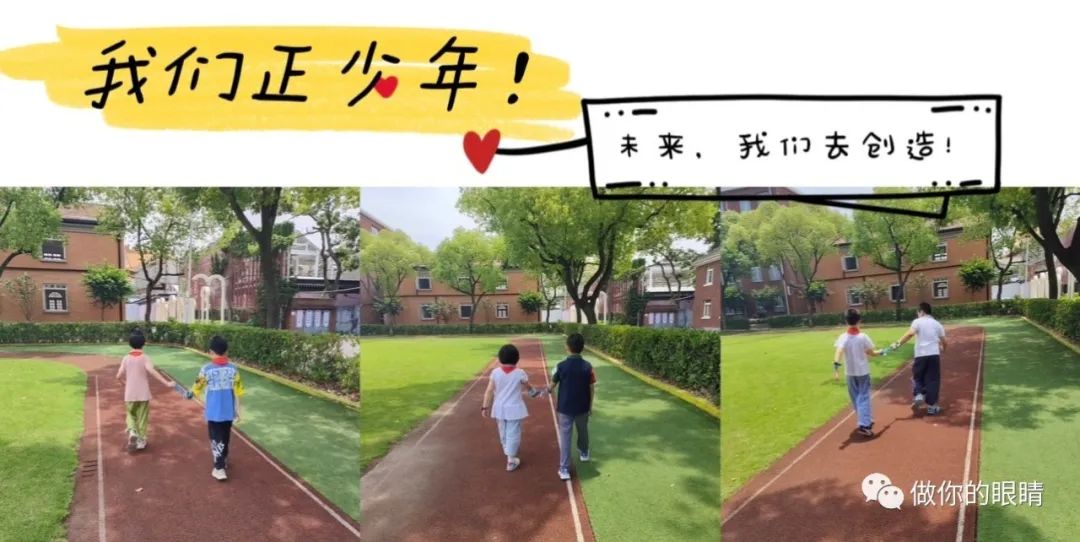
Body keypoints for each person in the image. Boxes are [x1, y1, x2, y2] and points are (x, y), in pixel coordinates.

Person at [481, 344, 543, 472]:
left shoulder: (495, 372)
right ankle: (510, 460)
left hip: (499, 408)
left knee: (503, 431)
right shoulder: (520, 373)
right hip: (514, 408)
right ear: (517, 358)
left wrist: (484, 406)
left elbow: (489, 390)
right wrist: (535, 393)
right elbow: (529, 387)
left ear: (500, 358)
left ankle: (508, 451)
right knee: (513, 433)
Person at [191, 335, 244, 481]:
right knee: (225, 437)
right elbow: (239, 391)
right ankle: (223, 459)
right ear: (226, 351)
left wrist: (191, 393)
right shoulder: (233, 369)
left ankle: (219, 468)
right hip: (228, 411)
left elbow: (197, 387)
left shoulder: (206, 369)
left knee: (216, 439)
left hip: (213, 412)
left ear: (211, 352)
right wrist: (238, 410)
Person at [547, 333, 596, 481]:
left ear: (567, 347)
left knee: (565, 437)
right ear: (582, 348)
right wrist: (590, 405)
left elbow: (553, 384)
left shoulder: (561, 366)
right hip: (583, 407)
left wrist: (547, 389)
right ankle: (584, 452)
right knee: (583, 431)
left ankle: (564, 469)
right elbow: (591, 388)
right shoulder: (588, 366)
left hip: (565, 408)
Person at [115, 329, 174, 452]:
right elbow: (152, 371)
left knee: (130, 414)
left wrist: (123, 383)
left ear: (129, 343)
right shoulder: (145, 358)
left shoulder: (126, 358)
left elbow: (118, 375)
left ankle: (132, 431)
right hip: (143, 393)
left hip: (129, 393)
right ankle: (141, 440)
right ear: (144, 343)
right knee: (142, 418)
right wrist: (166, 382)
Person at [833, 309, 887, 437]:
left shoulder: (843, 337)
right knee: (863, 397)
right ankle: (864, 424)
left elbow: (839, 352)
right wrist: (882, 351)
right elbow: (872, 353)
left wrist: (836, 367)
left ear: (846, 321)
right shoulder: (863, 337)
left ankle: (865, 419)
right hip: (862, 372)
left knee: (856, 398)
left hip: (850, 373)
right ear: (859, 321)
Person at [891, 302, 947, 415]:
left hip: (920, 355)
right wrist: (943, 349)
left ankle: (918, 394)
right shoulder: (937, 324)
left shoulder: (917, 322)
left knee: (918, 376)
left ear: (921, 311)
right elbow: (944, 341)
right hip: (933, 355)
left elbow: (910, 334)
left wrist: (897, 343)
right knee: (933, 380)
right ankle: (932, 407)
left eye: (918, 312)